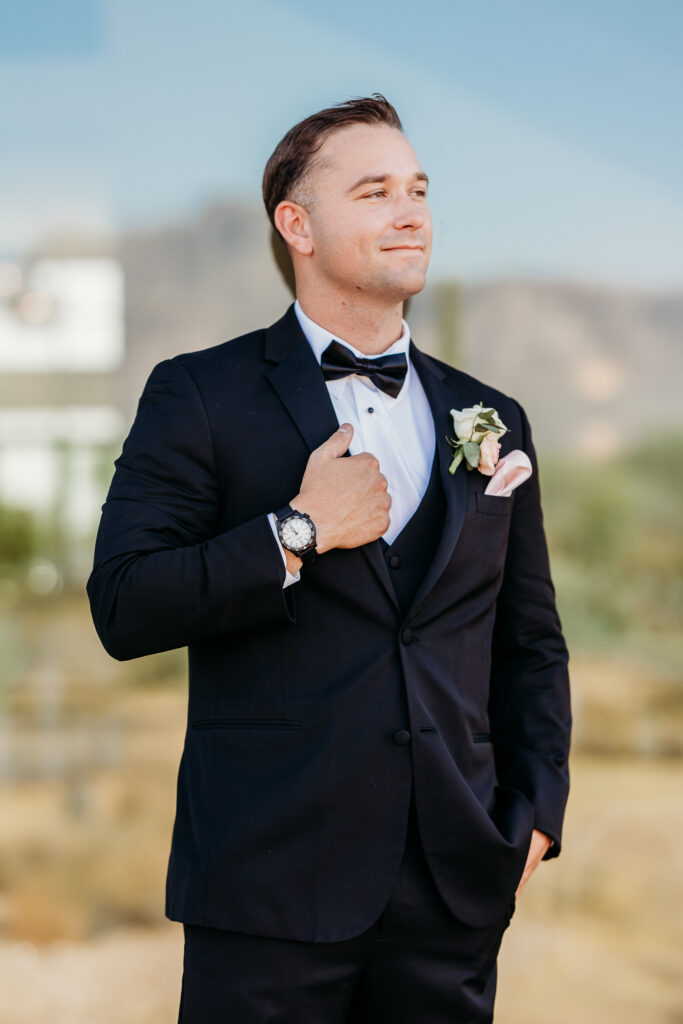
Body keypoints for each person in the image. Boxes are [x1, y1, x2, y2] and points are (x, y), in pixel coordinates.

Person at [87, 94, 571, 1023]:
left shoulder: (493, 416)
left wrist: (536, 812)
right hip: (267, 883)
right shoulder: (199, 394)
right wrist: (294, 533)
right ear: (296, 225)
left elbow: (528, 640)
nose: (411, 212)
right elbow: (124, 604)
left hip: (453, 892)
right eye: (375, 191)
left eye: (419, 189)